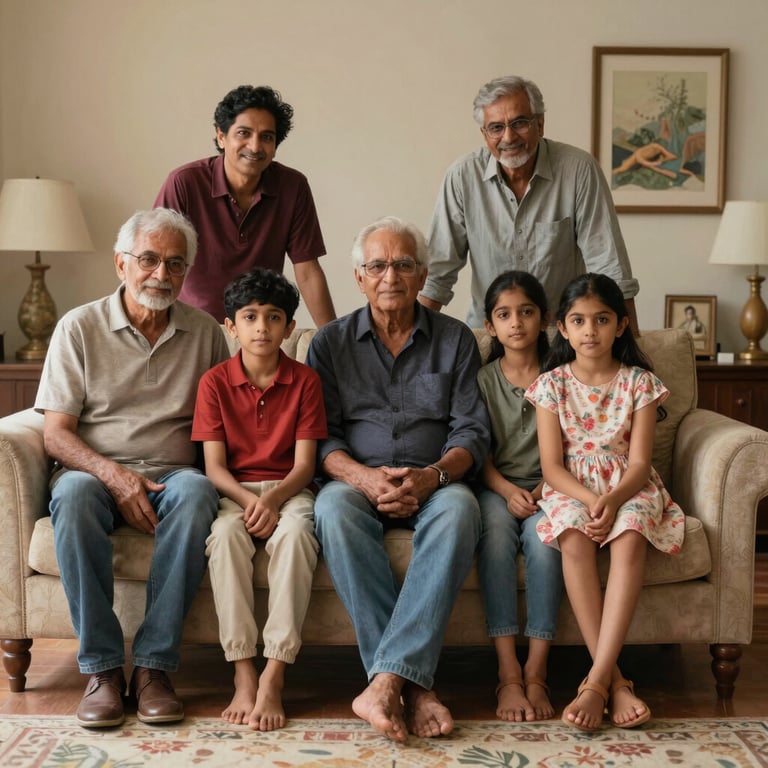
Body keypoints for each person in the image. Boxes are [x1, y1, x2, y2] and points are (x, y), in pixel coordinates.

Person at [35, 208, 231, 728]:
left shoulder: (207, 333)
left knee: (195, 494)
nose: (161, 275)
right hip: (93, 472)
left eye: (174, 263)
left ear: (187, 272)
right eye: (148, 260)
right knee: (73, 496)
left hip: (173, 473)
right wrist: (115, 477)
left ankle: (152, 668)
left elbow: (220, 428)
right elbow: (56, 433)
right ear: (121, 263)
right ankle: (101, 670)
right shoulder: (78, 327)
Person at [305, 216, 490, 742]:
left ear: (424, 275)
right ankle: (415, 687)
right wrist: (364, 479)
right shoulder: (330, 343)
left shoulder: (454, 340)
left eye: (404, 265)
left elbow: (472, 432)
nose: (391, 276)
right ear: (359, 277)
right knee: (333, 511)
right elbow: (320, 436)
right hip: (355, 481)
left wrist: (432, 477)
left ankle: (385, 682)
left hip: (435, 482)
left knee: (462, 512)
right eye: (378, 265)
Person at [525, 273, 685, 731]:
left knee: (631, 533)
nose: (590, 330)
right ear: (562, 328)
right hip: (572, 486)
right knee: (573, 536)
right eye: (578, 320)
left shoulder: (640, 383)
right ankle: (613, 682)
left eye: (601, 319)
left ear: (621, 325)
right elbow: (552, 467)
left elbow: (639, 463)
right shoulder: (551, 385)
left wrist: (613, 500)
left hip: (629, 486)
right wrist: (591, 499)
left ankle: (594, 681)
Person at [192, 268, 327, 731]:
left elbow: (306, 466)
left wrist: (273, 501)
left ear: (290, 328)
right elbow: (214, 469)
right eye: (250, 317)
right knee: (225, 535)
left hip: (291, 491)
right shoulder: (213, 383)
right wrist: (251, 502)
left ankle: (275, 671)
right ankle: (243, 670)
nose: (262, 328)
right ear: (231, 326)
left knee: (296, 536)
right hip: (234, 492)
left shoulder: (306, 381)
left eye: (274, 318)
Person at [420, 75, 639, 333]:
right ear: (484, 133)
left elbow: (609, 266)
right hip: (491, 338)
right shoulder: (461, 177)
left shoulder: (579, 170)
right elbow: (437, 274)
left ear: (541, 123)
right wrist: (415, 344)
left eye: (520, 123)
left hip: (561, 338)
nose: (509, 137)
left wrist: (631, 347)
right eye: (496, 127)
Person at [155, 84, 336, 326]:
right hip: (192, 326)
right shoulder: (184, 183)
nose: (255, 146)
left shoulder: (293, 186)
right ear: (221, 136)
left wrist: (333, 341)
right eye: (244, 133)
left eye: (266, 137)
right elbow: (157, 261)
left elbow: (307, 271)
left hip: (259, 329)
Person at [476, 270, 563, 722]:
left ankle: (537, 670)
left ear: (545, 320)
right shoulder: (483, 380)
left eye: (527, 312)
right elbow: (477, 453)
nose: (516, 323)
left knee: (546, 548)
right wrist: (509, 491)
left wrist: (545, 488)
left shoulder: (562, 376)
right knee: (493, 539)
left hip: (555, 488)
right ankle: (508, 671)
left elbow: (576, 447)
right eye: (504, 314)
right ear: (490, 325)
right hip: (497, 487)